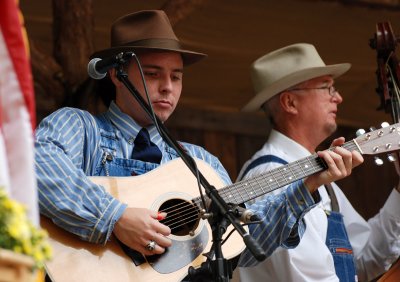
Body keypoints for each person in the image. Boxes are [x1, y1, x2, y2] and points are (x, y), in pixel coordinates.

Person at [35, 11, 361, 280]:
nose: (167, 87)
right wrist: (116, 217)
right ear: (117, 76)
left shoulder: (200, 162)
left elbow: (243, 248)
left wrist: (307, 185)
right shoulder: (80, 127)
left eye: (176, 77)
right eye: (152, 74)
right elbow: (37, 165)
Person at [236, 43, 400, 282]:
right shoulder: (271, 173)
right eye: (327, 87)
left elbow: (365, 258)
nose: (338, 97)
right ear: (290, 102)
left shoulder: (319, 171)